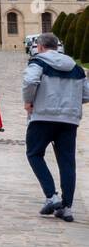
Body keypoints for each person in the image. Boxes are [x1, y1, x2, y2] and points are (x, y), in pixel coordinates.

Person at [22, 31, 87, 222]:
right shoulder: (75, 67)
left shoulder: (38, 62)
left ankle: (51, 196)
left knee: (34, 154)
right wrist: (69, 102)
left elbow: (30, 81)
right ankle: (66, 207)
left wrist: (29, 101)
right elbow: (87, 94)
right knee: (67, 162)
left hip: (42, 116)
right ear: (57, 47)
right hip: (69, 120)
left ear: (40, 47)